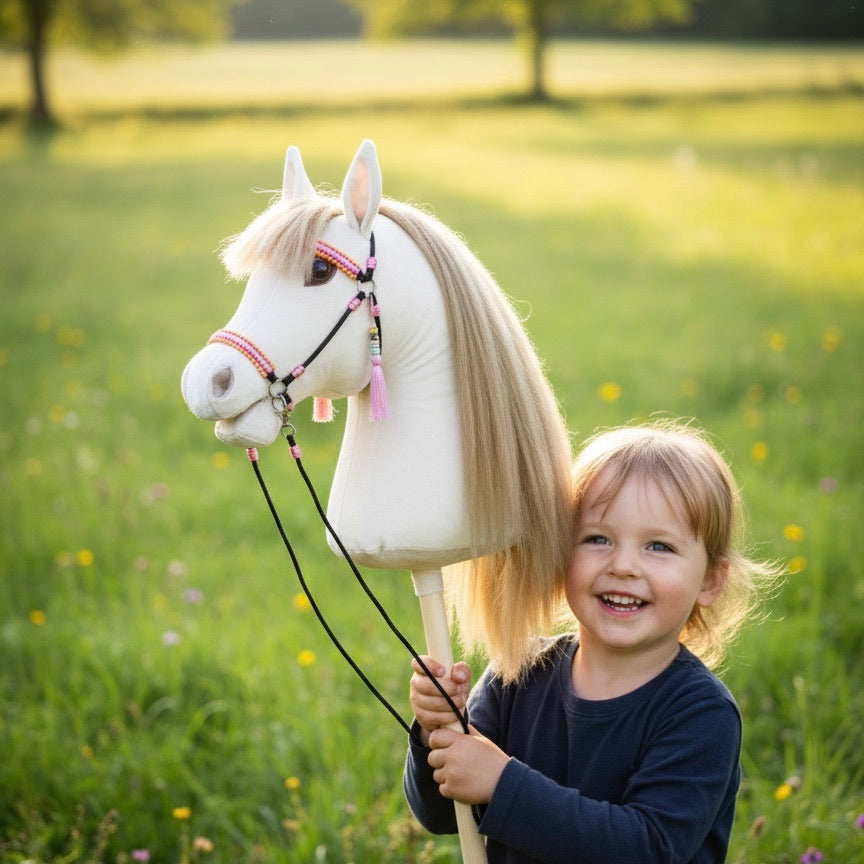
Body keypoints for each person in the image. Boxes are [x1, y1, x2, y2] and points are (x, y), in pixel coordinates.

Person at [404, 421, 782, 864]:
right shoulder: (518, 672)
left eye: (659, 547)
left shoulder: (700, 713)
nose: (623, 566)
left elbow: (645, 847)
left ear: (711, 582)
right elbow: (442, 813)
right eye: (598, 539)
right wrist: (438, 730)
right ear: (561, 551)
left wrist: (502, 783)